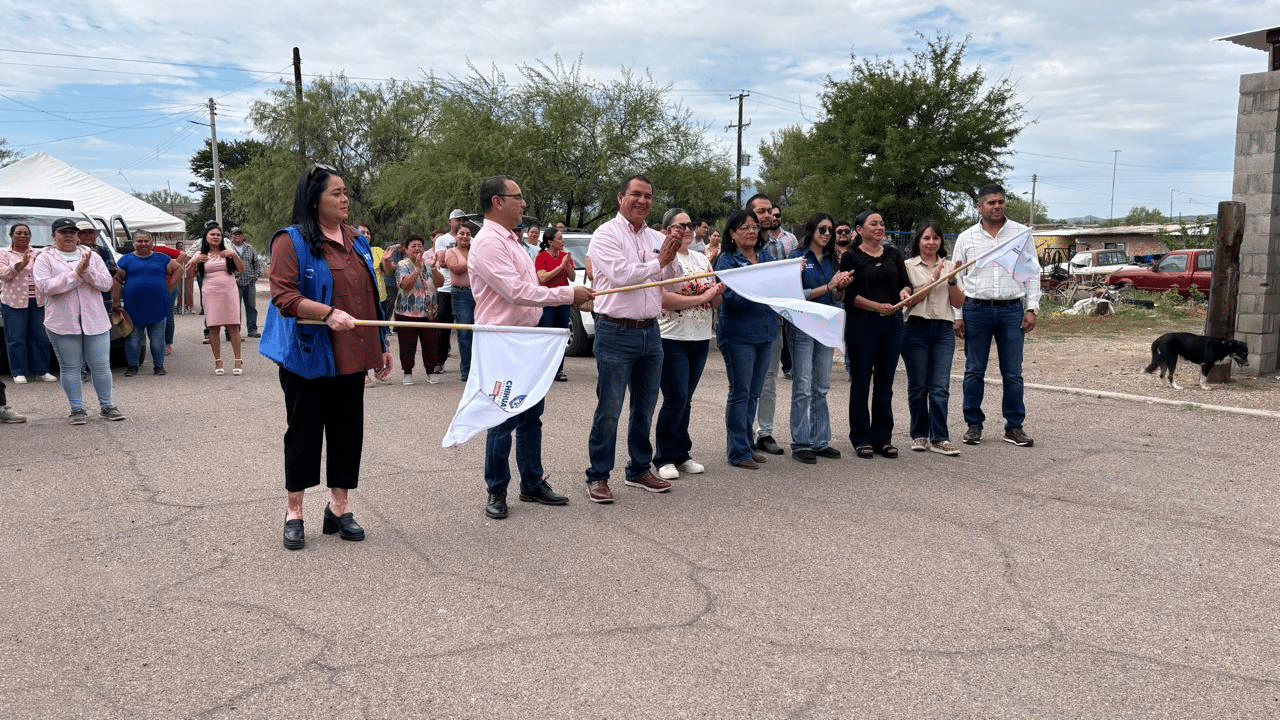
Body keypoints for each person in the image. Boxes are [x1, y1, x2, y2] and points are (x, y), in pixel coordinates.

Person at [266, 163, 392, 550]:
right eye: (336, 192)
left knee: (347, 432)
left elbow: (371, 296)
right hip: (308, 355)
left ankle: (339, 508)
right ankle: (295, 512)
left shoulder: (355, 239)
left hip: (353, 353)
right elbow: (283, 296)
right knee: (303, 433)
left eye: (345, 192)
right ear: (314, 199)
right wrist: (326, 313)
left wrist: (382, 343)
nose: (344, 199)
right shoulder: (292, 242)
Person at [468, 175, 591, 519]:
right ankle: (497, 489)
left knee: (531, 415)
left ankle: (532, 483)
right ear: (497, 201)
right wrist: (568, 293)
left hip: (527, 337)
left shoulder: (513, 241)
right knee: (502, 415)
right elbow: (515, 292)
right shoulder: (489, 243)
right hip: (503, 340)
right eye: (517, 197)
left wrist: (563, 286)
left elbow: (529, 283)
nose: (523, 204)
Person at [582, 174, 682, 503]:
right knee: (610, 408)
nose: (642, 201)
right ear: (620, 197)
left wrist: (669, 260)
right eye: (636, 194)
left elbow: (674, 280)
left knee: (644, 407)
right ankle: (598, 475)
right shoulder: (604, 236)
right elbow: (623, 275)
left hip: (650, 332)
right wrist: (660, 261)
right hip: (615, 330)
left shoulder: (657, 236)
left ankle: (639, 468)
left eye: (648, 196)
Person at [951, 184, 1040, 447]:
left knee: (1013, 373)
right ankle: (973, 425)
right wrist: (958, 314)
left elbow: (1032, 272)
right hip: (975, 310)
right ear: (979, 206)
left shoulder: (1021, 234)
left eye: (1000, 201)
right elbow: (956, 277)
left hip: (1011, 310)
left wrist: (1032, 308)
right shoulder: (967, 238)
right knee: (974, 371)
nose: (997, 206)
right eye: (990, 202)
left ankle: (1014, 427)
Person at [32, 218, 126, 424]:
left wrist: (87, 271)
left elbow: (105, 283)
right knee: (70, 367)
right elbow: (46, 287)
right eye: (63, 232)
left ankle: (107, 405)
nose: (68, 236)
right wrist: (75, 275)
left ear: (77, 235)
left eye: (72, 232)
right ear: (54, 236)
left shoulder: (91, 255)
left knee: (101, 365)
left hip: (95, 320)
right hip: (62, 322)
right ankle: (77, 409)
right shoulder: (44, 259)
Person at [654, 208, 721, 480]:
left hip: (700, 336)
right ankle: (664, 457)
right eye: (680, 225)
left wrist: (717, 293)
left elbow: (715, 301)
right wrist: (702, 296)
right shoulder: (663, 259)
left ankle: (682, 453)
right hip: (672, 337)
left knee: (687, 399)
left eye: (690, 225)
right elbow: (664, 300)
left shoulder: (702, 259)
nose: (687, 230)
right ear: (668, 230)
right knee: (675, 398)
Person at [840, 210, 911, 459]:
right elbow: (848, 296)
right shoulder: (850, 257)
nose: (880, 227)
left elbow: (905, 282)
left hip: (892, 325)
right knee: (861, 382)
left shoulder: (893, 253)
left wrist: (904, 292)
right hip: (862, 325)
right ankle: (861, 437)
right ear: (859, 230)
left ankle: (883, 438)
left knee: (885, 384)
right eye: (873, 224)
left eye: (881, 223)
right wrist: (876, 307)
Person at [714, 209, 776, 469]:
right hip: (738, 334)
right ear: (732, 233)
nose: (751, 232)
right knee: (740, 392)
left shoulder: (765, 257)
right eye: (744, 228)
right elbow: (733, 299)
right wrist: (760, 286)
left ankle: (748, 445)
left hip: (765, 331)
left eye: (754, 227)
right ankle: (737, 451)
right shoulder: (726, 261)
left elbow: (777, 288)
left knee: (754, 392)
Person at [788, 214, 852, 463]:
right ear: (811, 230)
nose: (827, 233)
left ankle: (820, 440)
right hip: (804, 326)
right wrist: (828, 286)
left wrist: (839, 287)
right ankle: (801, 442)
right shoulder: (798, 257)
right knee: (803, 386)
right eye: (822, 229)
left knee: (822, 386)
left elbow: (836, 297)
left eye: (830, 230)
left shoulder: (833, 259)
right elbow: (795, 295)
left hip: (826, 325)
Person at [902, 220, 965, 456]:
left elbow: (958, 302)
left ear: (941, 242)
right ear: (918, 241)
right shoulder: (907, 266)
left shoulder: (952, 267)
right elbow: (909, 301)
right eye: (926, 238)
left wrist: (950, 280)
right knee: (918, 386)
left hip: (942, 330)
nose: (931, 242)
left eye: (935, 238)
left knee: (939, 387)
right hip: (915, 329)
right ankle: (919, 435)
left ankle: (940, 437)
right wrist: (933, 278)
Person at [743, 193, 787, 456]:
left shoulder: (777, 245)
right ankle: (743, 433)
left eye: (770, 211)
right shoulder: (738, 245)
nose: (768, 216)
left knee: (769, 380)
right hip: (746, 325)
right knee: (746, 383)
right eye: (761, 211)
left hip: (773, 321)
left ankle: (765, 432)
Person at [112, 230, 181, 376]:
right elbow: (117, 280)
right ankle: (132, 366)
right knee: (133, 339)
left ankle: (159, 366)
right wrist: (116, 301)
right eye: (139, 241)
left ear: (151, 243)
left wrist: (169, 288)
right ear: (133, 243)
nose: (143, 244)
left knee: (157, 339)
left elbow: (178, 269)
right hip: (133, 307)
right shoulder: (126, 260)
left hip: (157, 306)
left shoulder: (162, 258)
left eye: (146, 241)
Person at [0, 223, 56, 383]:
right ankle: (19, 371)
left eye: (26, 233)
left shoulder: (38, 253)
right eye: (18, 233)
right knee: (16, 338)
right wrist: (21, 264)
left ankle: (42, 370)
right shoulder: (3, 253)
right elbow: (4, 275)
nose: (23, 236)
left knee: (40, 337)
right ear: (11, 236)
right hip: (13, 302)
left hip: (38, 301)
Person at [187, 224, 245, 375]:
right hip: (210, 292)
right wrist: (195, 261)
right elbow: (189, 275)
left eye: (218, 235)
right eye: (212, 234)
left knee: (233, 326)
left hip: (229, 291)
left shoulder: (228, 252)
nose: (215, 237)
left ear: (222, 238)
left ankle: (238, 359)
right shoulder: (200, 254)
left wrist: (234, 255)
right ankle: (218, 361)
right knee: (213, 327)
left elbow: (241, 269)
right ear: (206, 238)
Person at [394, 235, 444, 385]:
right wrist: (417, 269)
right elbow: (405, 285)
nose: (417, 248)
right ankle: (407, 372)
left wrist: (433, 268)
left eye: (420, 246)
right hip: (406, 312)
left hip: (429, 312)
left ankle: (430, 371)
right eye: (413, 246)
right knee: (407, 344)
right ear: (406, 249)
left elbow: (440, 283)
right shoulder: (402, 264)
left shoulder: (429, 263)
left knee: (431, 343)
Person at [535, 226, 575, 382]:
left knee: (561, 336)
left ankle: (559, 370)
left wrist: (567, 265)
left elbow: (571, 278)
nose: (562, 241)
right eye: (559, 238)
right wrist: (560, 267)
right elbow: (543, 278)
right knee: (547, 336)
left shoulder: (565, 256)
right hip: (548, 301)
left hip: (564, 301)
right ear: (551, 242)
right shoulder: (541, 257)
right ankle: (544, 370)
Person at [434, 211, 464, 374]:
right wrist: (461, 262)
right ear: (449, 221)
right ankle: (440, 361)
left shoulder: (470, 239)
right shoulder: (443, 239)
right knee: (443, 327)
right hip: (446, 287)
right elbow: (443, 262)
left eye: (462, 219)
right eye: (457, 219)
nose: (460, 222)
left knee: (465, 327)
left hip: (465, 288)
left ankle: (467, 364)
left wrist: (457, 262)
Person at [443, 222, 474, 382]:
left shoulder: (475, 251)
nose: (465, 236)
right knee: (464, 332)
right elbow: (456, 268)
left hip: (479, 294)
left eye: (468, 234)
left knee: (480, 332)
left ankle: (478, 370)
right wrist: (474, 259)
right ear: (456, 236)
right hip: (461, 294)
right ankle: (466, 371)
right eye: (462, 233)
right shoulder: (451, 252)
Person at [228, 227, 261, 338]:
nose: (237, 236)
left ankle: (252, 330)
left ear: (243, 236)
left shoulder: (250, 248)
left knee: (251, 307)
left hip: (249, 282)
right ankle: (235, 331)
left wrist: (256, 276)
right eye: (234, 234)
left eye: (239, 234)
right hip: (234, 283)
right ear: (231, 237)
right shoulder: (228, 249)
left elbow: (256, 263)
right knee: (235, 308)